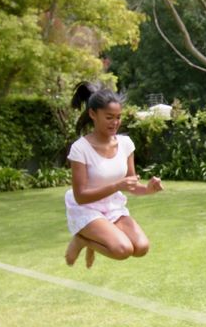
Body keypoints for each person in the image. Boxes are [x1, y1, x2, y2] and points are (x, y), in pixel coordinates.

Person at [63, 82, 163, 269]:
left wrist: (149, 189)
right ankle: (81, 238)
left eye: (118, 117)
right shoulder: (80, 149)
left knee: (141, 248)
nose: (115, 122)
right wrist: (117, 186)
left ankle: (86, 238)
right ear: (93, 114)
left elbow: (132, 185)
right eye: (109, 117)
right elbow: (81, 196)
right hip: (86, 208)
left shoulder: (125, 144)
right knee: (122, 250)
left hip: (113, 207)